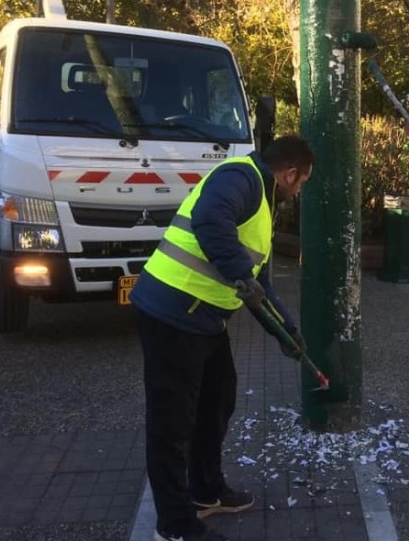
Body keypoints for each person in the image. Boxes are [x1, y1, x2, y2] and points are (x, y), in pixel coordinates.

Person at [130, 135, 314, 541]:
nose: (298, 191)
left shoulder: (261, 205)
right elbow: (211, 220)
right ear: (289, 173)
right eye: (301, 183)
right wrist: (241, 276)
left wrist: (285, 331)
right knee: (172, 423)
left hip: (203, 320)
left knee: (217, 399)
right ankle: (176, 525)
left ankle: (206, 490)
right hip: (171, 313)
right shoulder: (240, 177)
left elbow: (259, 284)